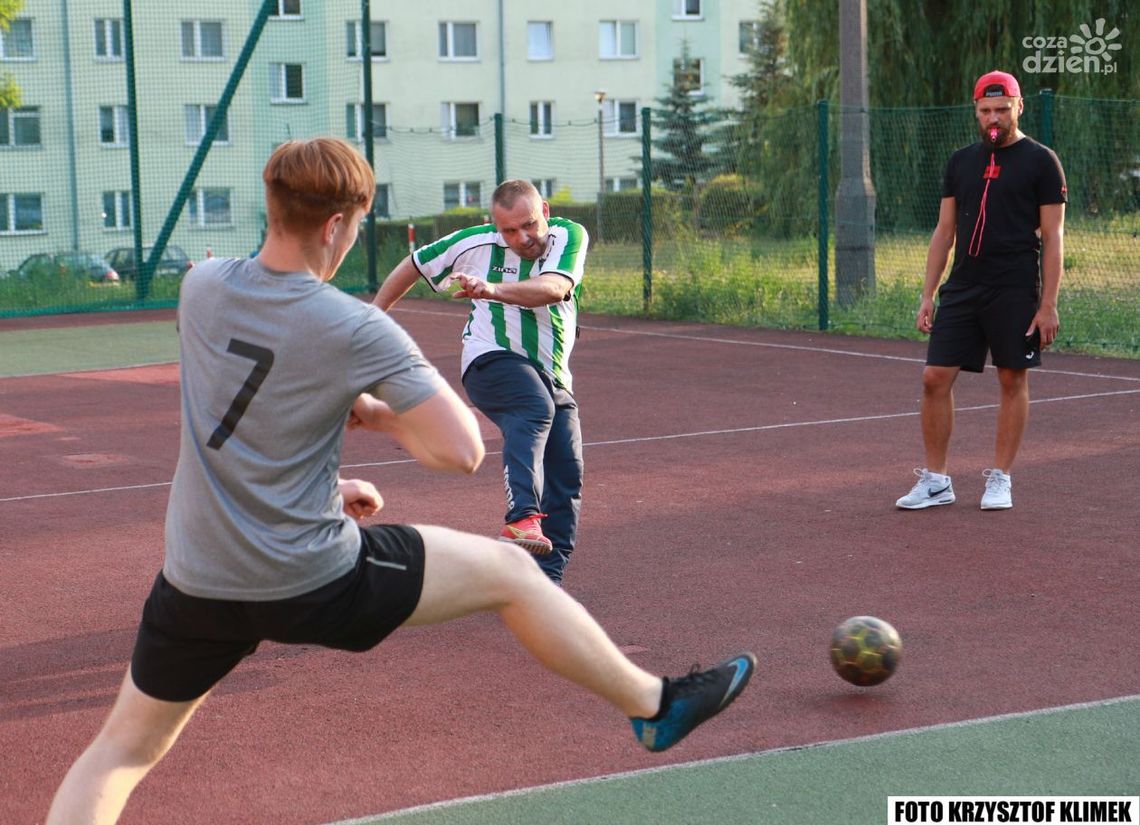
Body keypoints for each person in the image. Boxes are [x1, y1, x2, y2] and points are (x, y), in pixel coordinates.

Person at [46, 138, 756, 825]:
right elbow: (461, 449)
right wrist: (381, 415)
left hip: (197, 578)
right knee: (512, 571)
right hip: (309, 576)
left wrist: (324, 487)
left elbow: (242, 415)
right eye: (354, 225)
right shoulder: (353, 326)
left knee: (119, 751)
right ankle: (653, 705)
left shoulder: (201, 288)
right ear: (335, 225)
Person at [375, 180, 587, 584]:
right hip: (490, 360)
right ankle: (522, 518)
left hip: (553, 373)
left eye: (528, 225)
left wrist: (491, 288)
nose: (522, 238)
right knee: (533, 407)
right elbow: (416, 264)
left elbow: (554, 288)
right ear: (495, 225)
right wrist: (374, 316)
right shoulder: (473, 243)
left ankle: (545, 582)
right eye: (509, 230)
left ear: (544, 210)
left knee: (567, 474)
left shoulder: (568, 235)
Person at [896, 70, 1066, 511]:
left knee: (1011, 378)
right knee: (934, 377)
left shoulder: (1041, 161)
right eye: (986, 110)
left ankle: (1001, 478)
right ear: (975, 111)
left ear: (1018, 107)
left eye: (1002, 110)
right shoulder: (961, 161)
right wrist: (928, 293)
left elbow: (1054, 238)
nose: (994, 118)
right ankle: (936, 481)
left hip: (1014, 286)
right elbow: (944, 230)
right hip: (965, 285)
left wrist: (1048, 304)